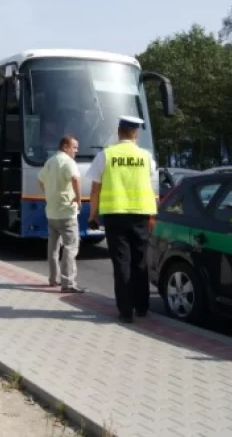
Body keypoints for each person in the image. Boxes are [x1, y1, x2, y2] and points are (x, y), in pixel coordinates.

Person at [87, 115, 157, 323]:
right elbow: (150, 184)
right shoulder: (146, 157)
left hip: (115, 215)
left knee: (121, 263)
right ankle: (142, 307)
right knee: (140, 261)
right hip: (141, 215)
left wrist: (93, 214)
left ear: (118, 132)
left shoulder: (105, 155)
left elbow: (95, 189)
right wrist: (152, 213)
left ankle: (126, 311)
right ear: (136, 134)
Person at [38, 134, 85, 293]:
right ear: (65, 146)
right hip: (66, 213)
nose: (76, 151)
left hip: (51, 212)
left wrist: (48, 195)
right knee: (71, 248)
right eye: (74, 147)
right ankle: (68, 283)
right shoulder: (68, 162)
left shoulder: (50, 161)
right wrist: (78, 199)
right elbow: (76, 179)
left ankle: (53, 278)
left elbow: (40, 179)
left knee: (53, 248)